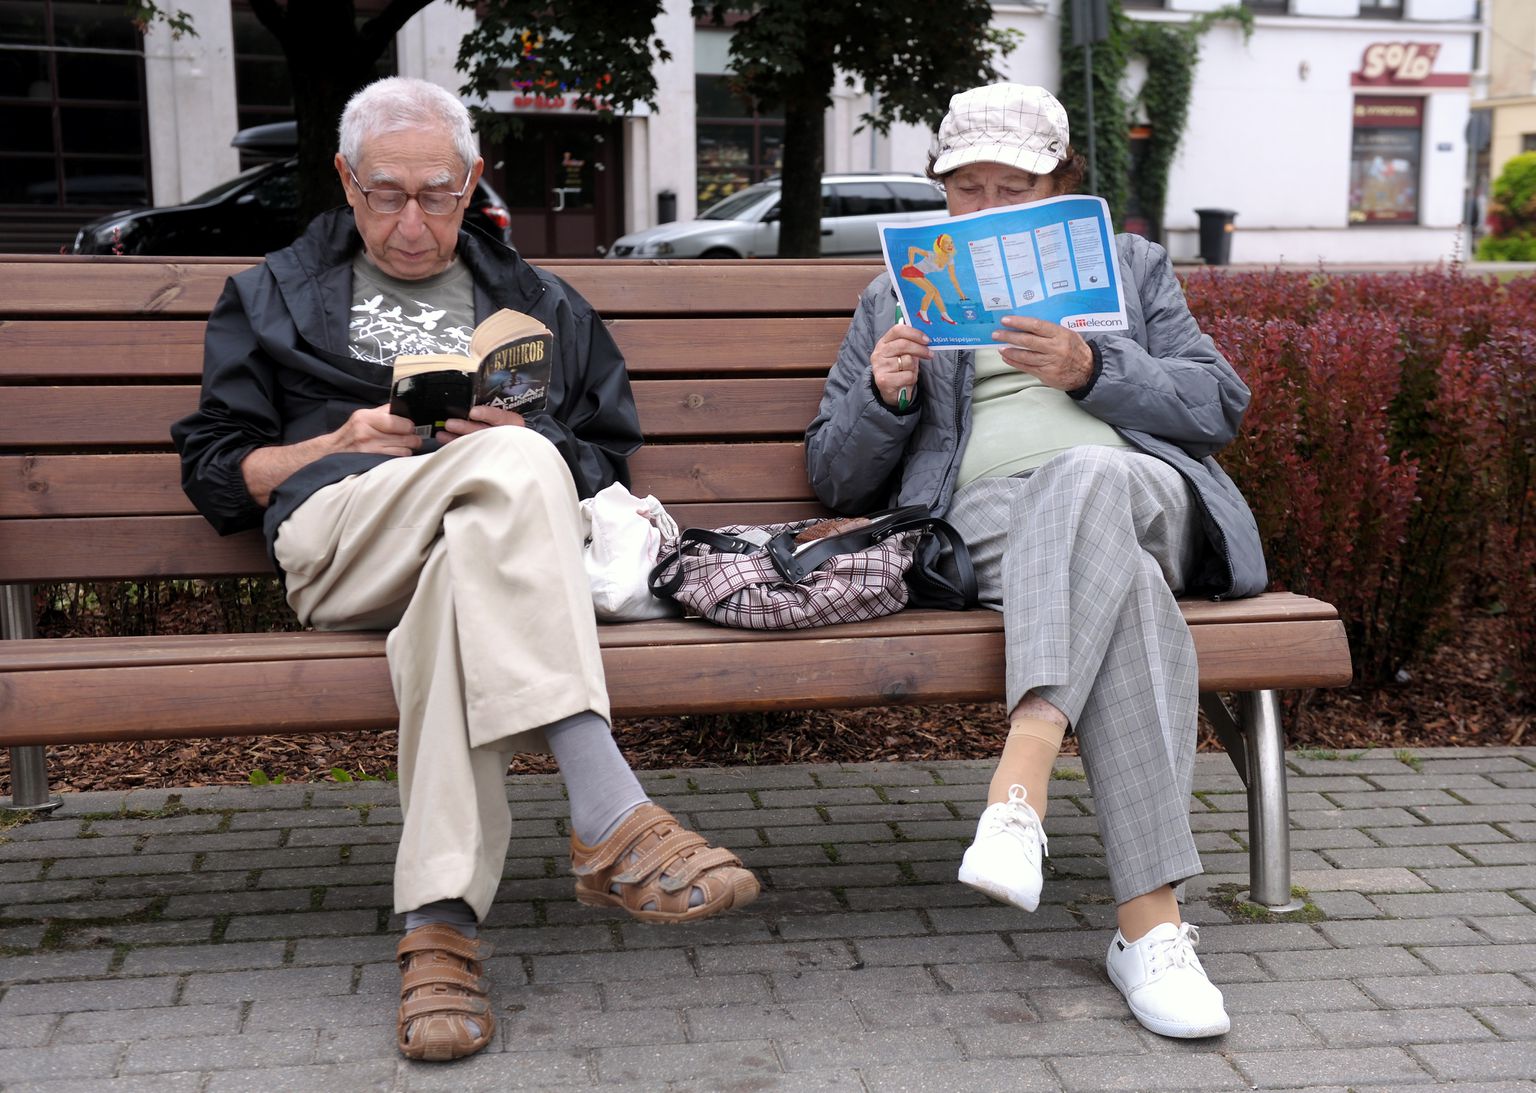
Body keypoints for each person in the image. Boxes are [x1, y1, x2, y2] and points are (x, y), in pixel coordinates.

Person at [173, 76, 759, 1064]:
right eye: (385, 194)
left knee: (480, 546)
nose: (411, 221)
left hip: (485, 558)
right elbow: (220, 472)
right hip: (342, 540)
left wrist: (525, 440)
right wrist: (338, 441)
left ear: (474, 181)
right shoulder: (269, 293)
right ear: (345, 183)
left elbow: (606, 456)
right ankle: (608, 805)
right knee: (512, 465)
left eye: (436, 194)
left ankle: (438, 934)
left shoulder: (538, 300)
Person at [805, 83, 1267, 1040]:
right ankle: (1150, 929)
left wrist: (1097, 371)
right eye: (964, 188)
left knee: (1088, 473)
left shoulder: (1132, 269)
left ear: (1060, 184)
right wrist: (883, 399)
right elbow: (834, 479)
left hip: (1145, 498)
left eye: (1009, 187)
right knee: (1121, 586)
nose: (982, 208)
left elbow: (1218, 405)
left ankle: (1022, 779)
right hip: (984, 526)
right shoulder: (896, 293)